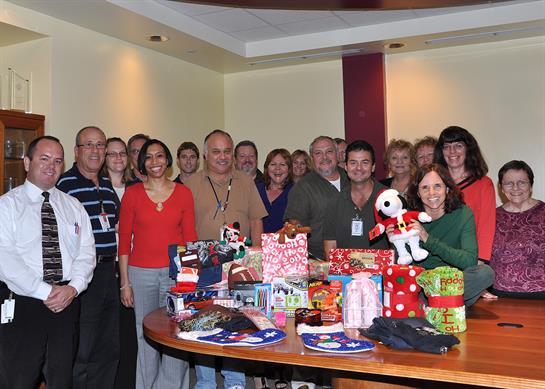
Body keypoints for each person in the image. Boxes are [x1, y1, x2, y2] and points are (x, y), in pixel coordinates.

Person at [0, 136, 95, 389]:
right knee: (17, 378)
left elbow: (87, 252)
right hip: (24, 302)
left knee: (62, 378)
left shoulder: (73, 206)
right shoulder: (7, 206)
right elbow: (5, 258)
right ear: (27, 162)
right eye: (44, 159)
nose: (51, 166)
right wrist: (46, 291)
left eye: (57, 161)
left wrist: (73, 287)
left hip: (66, 302)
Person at [185, 129, 267, 389]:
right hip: (203, 263)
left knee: (237, 320)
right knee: (204, 322)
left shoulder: (245, 181)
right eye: (216, 151)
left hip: (239, 262)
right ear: (206, 154)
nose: (222, 157)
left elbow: (256, 221)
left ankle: (235, 381)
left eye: (227, 151)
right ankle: (206, 382)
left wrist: (257, 258)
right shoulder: (190, 184)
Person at [118, 139, 196, 389]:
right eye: (149, 157)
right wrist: (125, 283)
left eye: (160, 156)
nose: (155, 162)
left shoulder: (183, 193)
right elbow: (123, 241)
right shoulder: (133, 194)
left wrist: (191, 279)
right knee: (145, 338)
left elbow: (190, 239)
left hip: (176, 276)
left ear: (167, 160)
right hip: (140, 276)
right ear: (142, 163)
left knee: (177, 334)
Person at [57, 126, 120, 388]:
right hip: (82, 276)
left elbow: (114, 225)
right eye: (88, 145)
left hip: (110, 272)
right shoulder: (65, 185)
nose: (95, 151)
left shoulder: (106, 184)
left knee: (109, 346)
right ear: (76, 151)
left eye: (100, 145)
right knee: (83, 347)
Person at [402, 163, 494, 307]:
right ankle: (445, 304)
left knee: (485, 273)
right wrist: (394, 238)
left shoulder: (463, 213)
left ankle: (434, 304)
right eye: (425, 187)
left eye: (437, 186)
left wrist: (428, 239)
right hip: (421, 285)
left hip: (451, 282)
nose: (431, 193)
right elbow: (403, 263)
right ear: (418, 193)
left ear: (447, 188)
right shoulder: (407, 217)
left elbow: (469, 260)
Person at [103, 137, 137, 389]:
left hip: (134, 265)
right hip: (105, 267)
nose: (117, 158)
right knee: (107, 333)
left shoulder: (137, 187)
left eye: (121, 153)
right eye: (111, 153)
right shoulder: (99, 187)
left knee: (129, 333)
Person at [434, 126, 496, 262]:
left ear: (468, 149)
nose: (452, 151)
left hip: (469, 258)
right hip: (437, 256)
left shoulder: (483, 184)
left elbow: (487, 226)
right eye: (446, 146)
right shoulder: (434, 183)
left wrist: (480, 260)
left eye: (458, 146)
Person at [285, 135, 349, 260]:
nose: (324, 157)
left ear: (337, 154)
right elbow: (295, 229)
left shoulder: (353, 180)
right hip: (317, 261)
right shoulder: (302, 188)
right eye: (318, 153)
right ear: (312, 158)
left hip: (355, 256)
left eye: (329, 151)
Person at [489, 161, 545, 299]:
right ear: (501, 188)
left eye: (522, 182)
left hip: (541, 296)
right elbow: (481, 256)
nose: (515, 188)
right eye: (509, 183)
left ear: (530, 185)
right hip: (498, 295)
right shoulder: (492, 217)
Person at [324, 140, 390, 254]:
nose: (359, 168)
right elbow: (330, 249)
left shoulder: (390, 198)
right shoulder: (334, 202)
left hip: (381, 270)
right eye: (353, 163)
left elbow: (400, 242)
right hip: (345, 270)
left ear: (373, 167)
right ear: (346, 166)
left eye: (365, 162)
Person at [257, 149, 293, 233]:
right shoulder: (256, 190)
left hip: (285, 243)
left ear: (289, 168)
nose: (277, 168)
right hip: (256, 243)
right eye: (273, 164)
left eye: (282, 164)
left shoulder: (296, 192)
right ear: (266, 167)